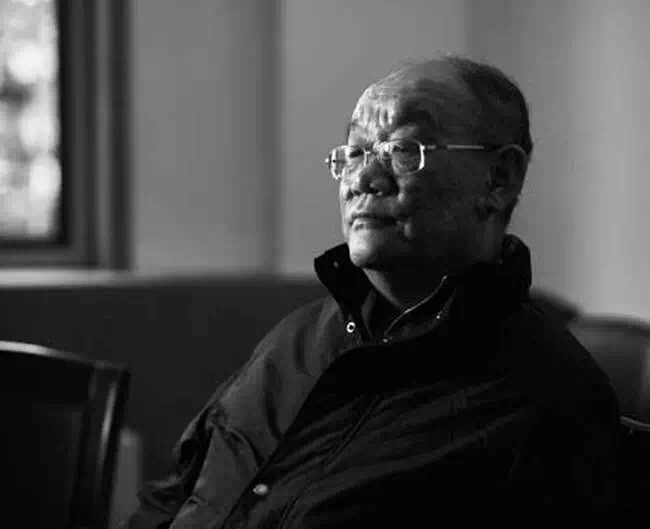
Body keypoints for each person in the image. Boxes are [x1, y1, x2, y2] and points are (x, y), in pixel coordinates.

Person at [123, 55, 620, 528]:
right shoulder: (296, 339)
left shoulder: (546, 398)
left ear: (499, 179)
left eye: (403, 150)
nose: (362, 178)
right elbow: (171, 496)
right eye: (356, 152)